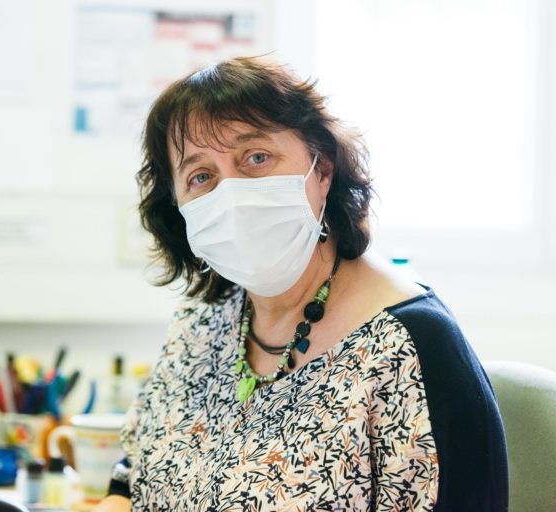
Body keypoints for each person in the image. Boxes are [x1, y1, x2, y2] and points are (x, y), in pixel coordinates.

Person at [96, 57, 508, 511]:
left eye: (256, 157)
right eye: (201, 176)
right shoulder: (204, 318)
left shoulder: (412, 346)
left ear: (322, 169)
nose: (230, 195)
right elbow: (130, 477)